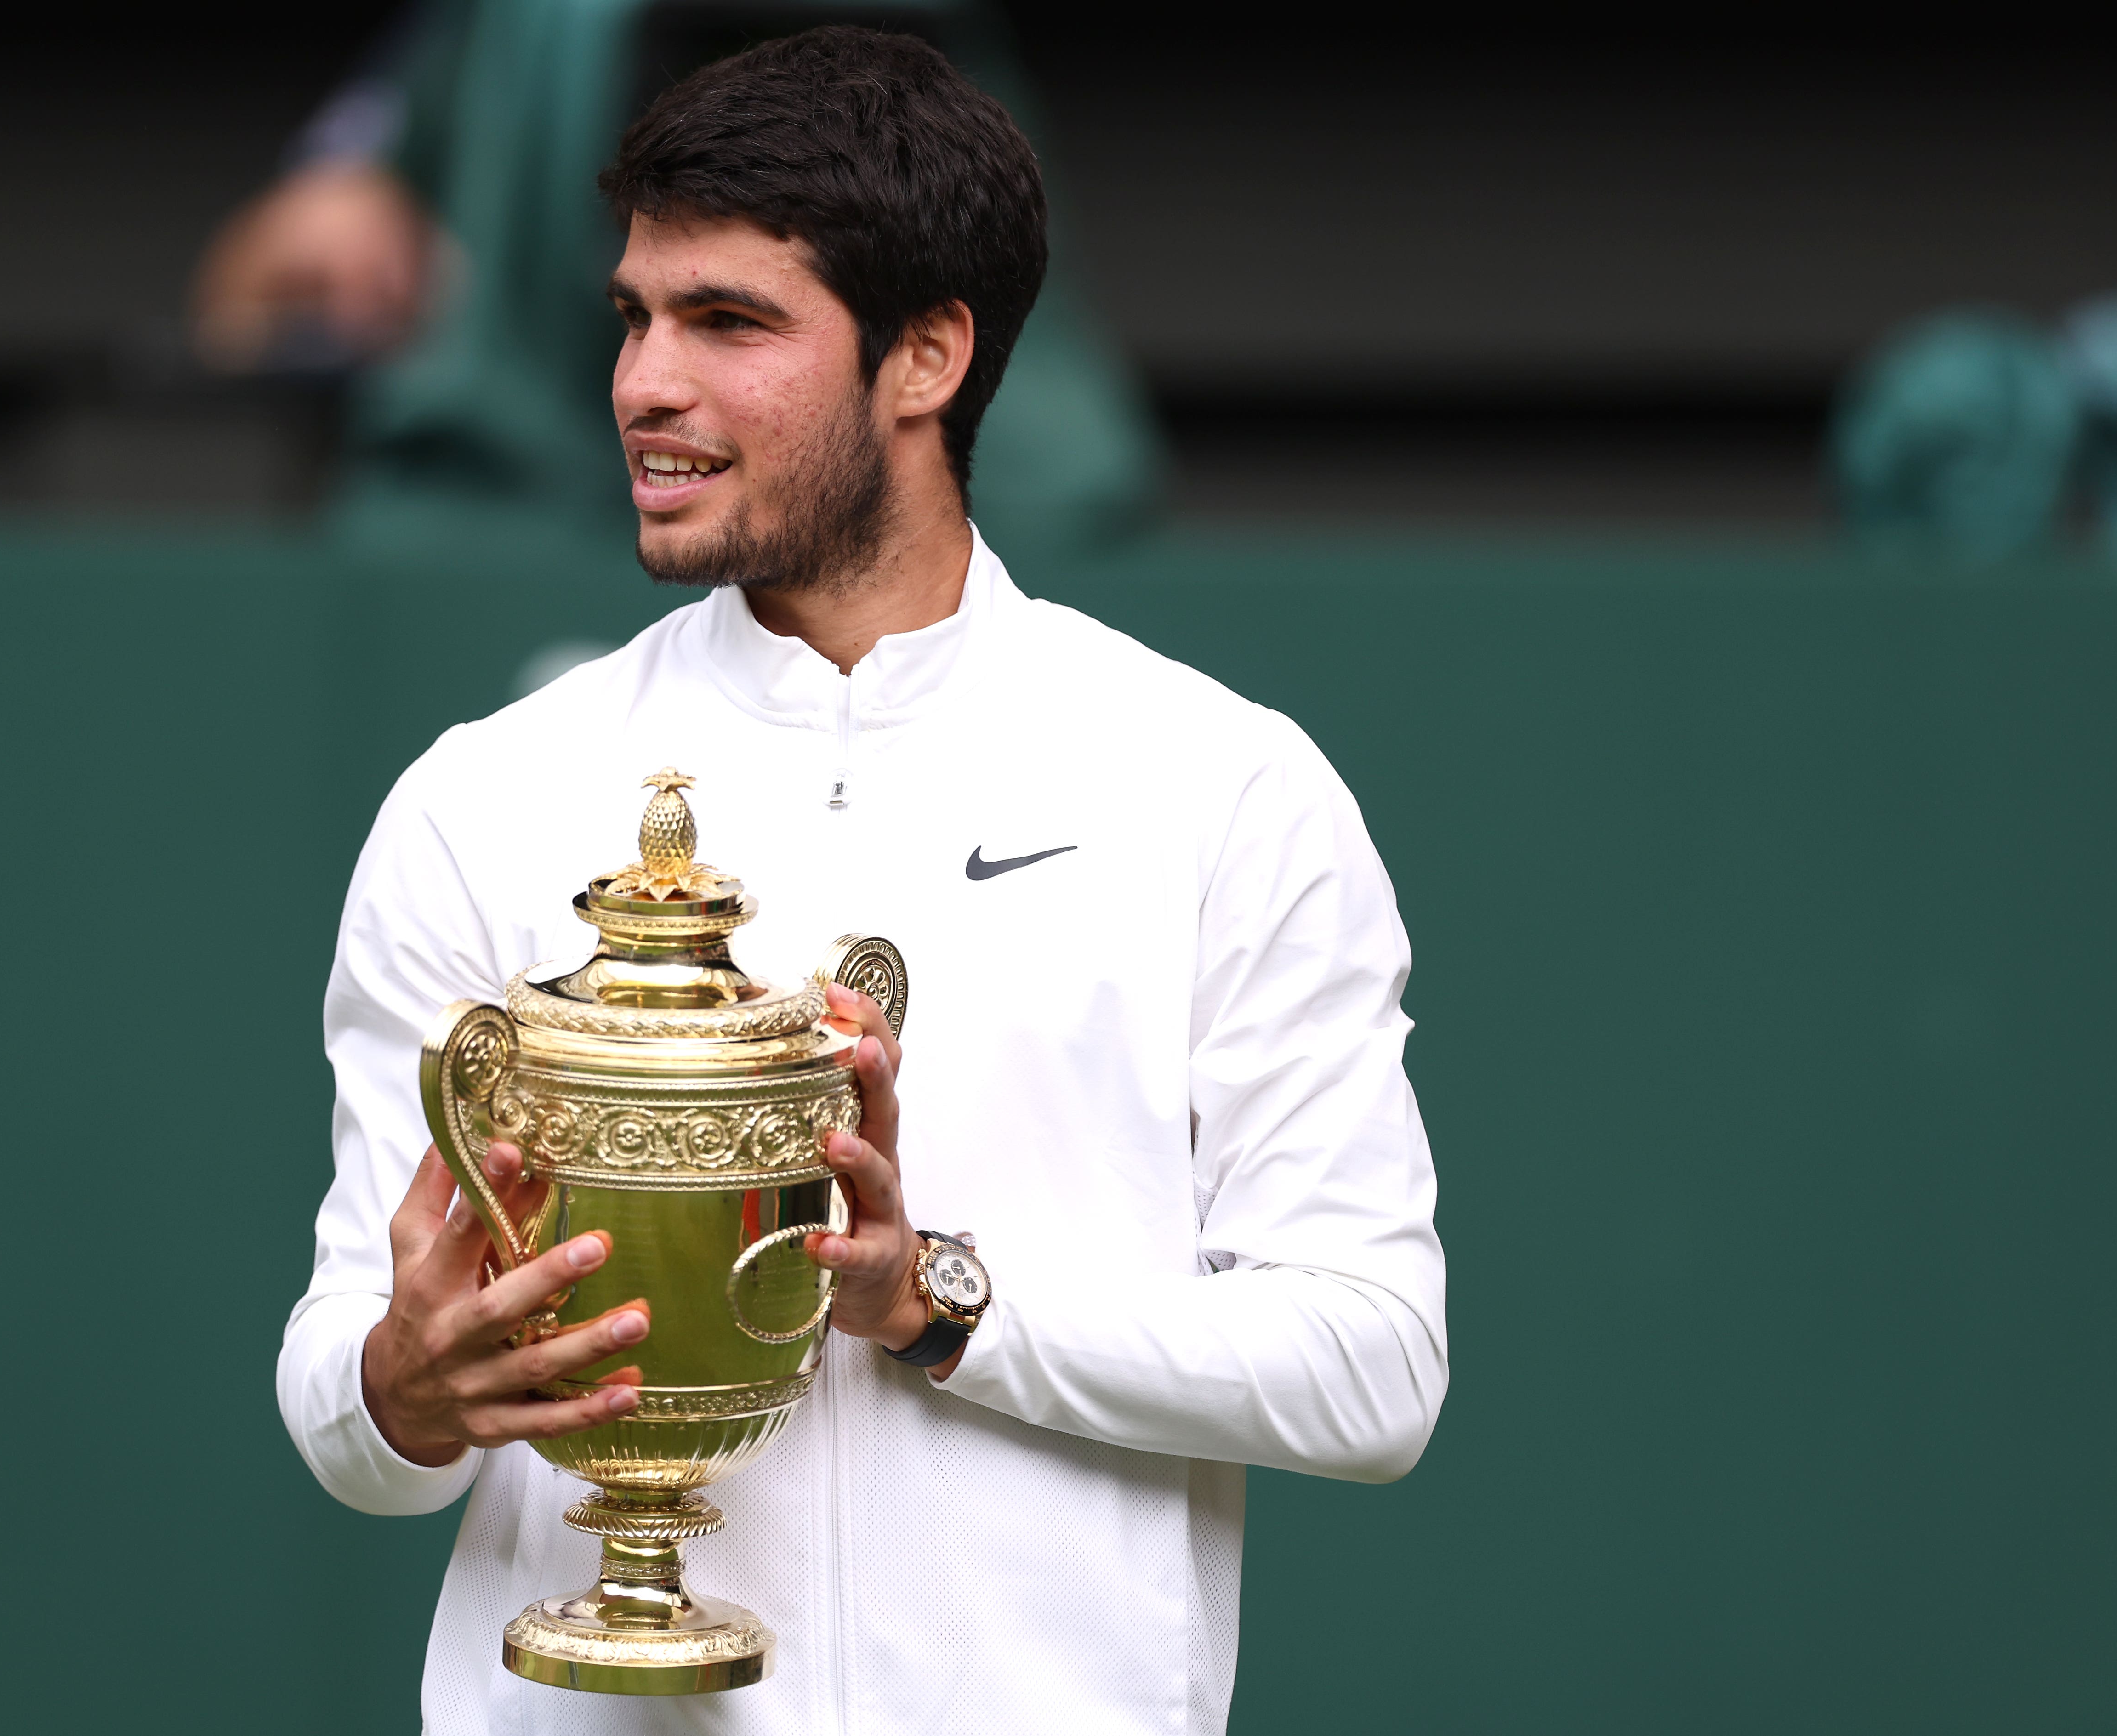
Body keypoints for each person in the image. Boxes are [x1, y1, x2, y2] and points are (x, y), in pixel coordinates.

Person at [276, 28, 1448, 1734]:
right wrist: (408, 1386)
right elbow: (340, 1396)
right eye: (632, 316)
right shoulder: (484, 795)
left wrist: (933, 1298)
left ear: (926, 357)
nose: (641, 385)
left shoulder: (1219, 785)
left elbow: (1372, 1362)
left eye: (728, 322)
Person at [191, 0, 1162, 554]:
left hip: (964, 512)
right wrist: (344, 192)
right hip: (515, 505)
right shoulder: (514, 27)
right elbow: (248, 282)